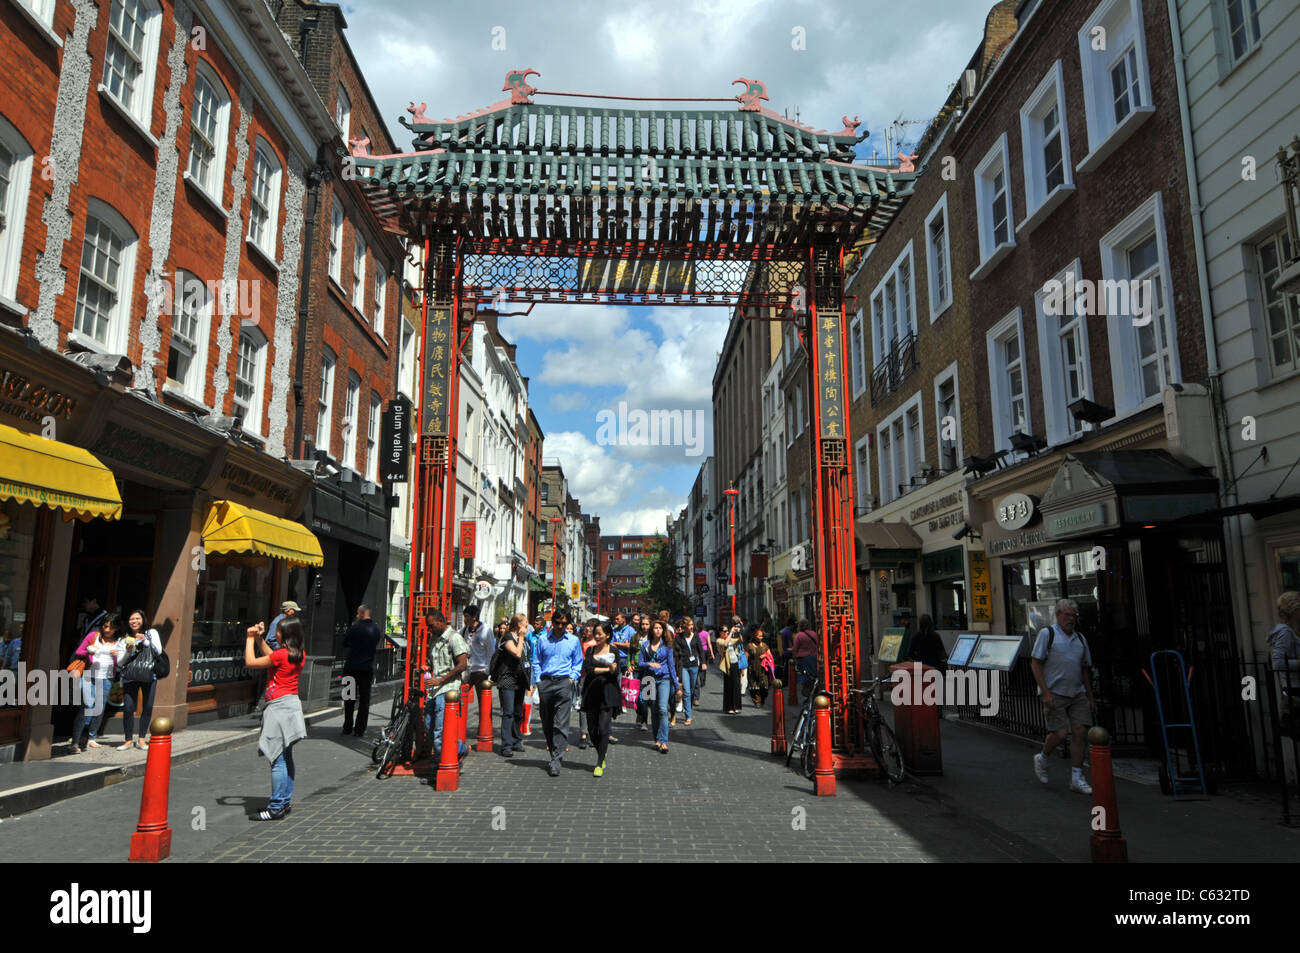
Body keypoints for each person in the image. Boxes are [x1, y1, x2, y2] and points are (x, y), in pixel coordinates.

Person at [1030, 597, 1096, 794]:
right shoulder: (1047, 634)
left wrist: (1090, 697)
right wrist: (1045, 692)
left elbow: (1084, 669)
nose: (1071, 619)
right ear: (1058, 615)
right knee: (1059, 733)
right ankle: (1042, 757)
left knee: (1080, 732)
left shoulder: (1080, 639)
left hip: (1077, 692)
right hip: (1055, 691)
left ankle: (1077, 776)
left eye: (1073, 616)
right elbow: (1035, 663)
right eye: (1067, 615)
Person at [244, 617, 306, 821]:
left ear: (285, 635)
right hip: (292, 705)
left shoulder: (281, 655)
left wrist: (250, 638)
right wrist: (260, 639)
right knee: (287, 755)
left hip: (278, 708)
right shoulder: (298, 654)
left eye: (277, 631)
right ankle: (285, 801)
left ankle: (276, 807)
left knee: (276, 758)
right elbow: (272, 656)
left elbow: (251, 662)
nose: (275, 634)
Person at [534, 610, 584, 776]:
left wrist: (572, 678)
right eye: (557, 623)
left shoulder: (573, 641)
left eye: (564, 624)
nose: (560, 627)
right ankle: (553, 752)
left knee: (561, 723)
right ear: (552, 623)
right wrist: (538, 681)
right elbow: (536, 661)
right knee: (547, 723)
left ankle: (557, 759)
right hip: (546, 683)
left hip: (564, 683)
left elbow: (578, 662)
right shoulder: (542, 639)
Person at [70, 613, 126, 752]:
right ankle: (75, 741)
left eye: (111, 627)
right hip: (89, 675)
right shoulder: (93, 636)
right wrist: (89, 651)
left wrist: (117, 655)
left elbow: (122, 662)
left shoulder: (120, 641)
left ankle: (91, 738)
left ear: (117, 628)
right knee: (87, 706)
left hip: (106, 678)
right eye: (105, 626)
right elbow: (79, 651)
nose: (107, 629)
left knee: (99, 709)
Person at [424, 607, 469, 759]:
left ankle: (440, 769)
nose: (429, 629)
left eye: (431, 625)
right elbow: (435, 662)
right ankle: (460, 748)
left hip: (448, 689)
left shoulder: (454, 638)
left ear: (441, 621)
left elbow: (462, 664)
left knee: (440, 732)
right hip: (434, 690)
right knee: (429, 726)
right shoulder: (434, 638)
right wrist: (428, 667)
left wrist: (441, 679)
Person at [118, 610, 163, 750]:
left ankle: (142, 739)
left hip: (148, 674)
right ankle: (128, 740)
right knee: (128, 708)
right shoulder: (123, 638)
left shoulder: (151, 633)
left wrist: (145, 641)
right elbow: (120, 662)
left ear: (143, 620)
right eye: (131, 619)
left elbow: (159, 651)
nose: (134, 621)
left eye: (137, 618)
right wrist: (128, 650)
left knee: (147, 706)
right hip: (130, 675)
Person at [582, 621, 623, 776]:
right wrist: (606, 669)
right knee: (592, 730)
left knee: (603, 728)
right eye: (595, 633)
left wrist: (611, 670)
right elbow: (588, 669)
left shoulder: (614, 650)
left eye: (600, 633)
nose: (597, 636)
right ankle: (601, 752)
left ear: (607, 635)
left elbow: (615, 671)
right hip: (591, 692)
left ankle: (599, 762)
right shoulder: (591, 649)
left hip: (608, 692)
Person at [638, 620, 681, 752]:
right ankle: (656, 739)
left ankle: (664, 741)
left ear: (663, 631)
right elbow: (639, 663)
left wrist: (677, 686)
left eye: (660, 628)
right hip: (650, 679)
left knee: (662, 708)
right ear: (652, 630)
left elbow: (671, 666)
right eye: (655, 628)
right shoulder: (645, 645)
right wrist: (649, 664)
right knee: (654, 710)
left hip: (664, 679)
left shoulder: (667, 646)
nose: (657, 630)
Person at [491, 613, 529, 757]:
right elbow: (517, 653)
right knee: (508, 712)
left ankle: (516, 740)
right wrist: (521, 638)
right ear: (519, 624)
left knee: (518, 712)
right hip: (507, 679)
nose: (527, 624)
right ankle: (506, 744)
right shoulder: (508, 638)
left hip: (519, 679)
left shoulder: (523, 639)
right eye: (525, 622)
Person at [341, 604, 383, 736]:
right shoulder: (376, 629)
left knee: (349, 699)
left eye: (358, 613)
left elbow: (344, 642)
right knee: (364, 700)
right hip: (366, 668)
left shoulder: (355, 627)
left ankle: (348, 726)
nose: (356, 616)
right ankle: (360, 729)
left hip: (351, 667)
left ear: (361, 613)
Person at [673, 616, 701, 726]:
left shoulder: (696, 636)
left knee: (692, 689)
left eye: (692, 625)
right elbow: (676, 654)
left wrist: (703, 662)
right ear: (685, 626)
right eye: (690, 625)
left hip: (694, 665)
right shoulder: (679, 638)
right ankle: (688, 716)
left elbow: (700, 651)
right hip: (683, 666)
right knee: (686, 691)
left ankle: (688, 706)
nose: (692, 627)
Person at [462, 605, 493, 692]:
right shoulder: (464, 630)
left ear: (474, 617)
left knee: (483, 700)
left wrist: (487, 671)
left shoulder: (486, 630)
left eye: (467, 616)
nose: (465, 619)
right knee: (461, 697)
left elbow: (490, 652)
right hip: (467, 671)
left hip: (481, 671)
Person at [716, 619, 744, 714]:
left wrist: (738, 632)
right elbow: (725, 644)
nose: (726, 632)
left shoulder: (730, 639)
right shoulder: (719, 640)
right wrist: (731, 632)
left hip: (735, 664)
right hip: (727, 665)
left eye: (727, 631)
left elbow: (740, 641)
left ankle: (735, 706)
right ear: (720, 632)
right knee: (729, 687)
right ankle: (728, 707)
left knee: (736, 686)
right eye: (724, 631)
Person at [576, 623, 596, 748]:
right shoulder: (580, 642)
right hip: (583, 676)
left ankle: (592, 733)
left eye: (591, 628)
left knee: (594, 706)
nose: (588, 630)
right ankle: (584, 734)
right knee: (583, 705)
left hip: (595, 676)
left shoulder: (598, 643)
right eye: (587, 628)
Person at [633, 616, 653, 730]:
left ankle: (644, 720)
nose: (644, 626)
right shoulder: (635, 637)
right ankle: (639, 714)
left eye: (647, 624)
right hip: (636, 669)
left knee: (645, 696)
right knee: (636, 696)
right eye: (643, 624)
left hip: (648, 670)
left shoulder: (652, 638)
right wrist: (630, 664)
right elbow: (631, 651)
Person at [792, 620, 819, 701]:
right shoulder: (814, 634)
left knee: (804, 678)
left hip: (803, 660)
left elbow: (795, 649)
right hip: (814, 658)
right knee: (813, 677)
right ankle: (814, 694)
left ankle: (806, 696)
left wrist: (794, 658)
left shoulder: (799, 635)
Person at [746, 626, 772, 708]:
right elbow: (745, 658)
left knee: (764, 688)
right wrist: (743, 669)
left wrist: (765, 655)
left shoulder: (764, 646)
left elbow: (770, 655)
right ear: (755, 636)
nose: (761, 637)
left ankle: (762, 700)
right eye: (759, 636)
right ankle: (757, 702)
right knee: (754, 688)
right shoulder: (749, 646)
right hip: (752, 669)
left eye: (762, 636)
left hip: (763, 670)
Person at [695, 624, 711, 701]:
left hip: (699, 651)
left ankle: (701, 678)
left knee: (700, 666)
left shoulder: (696, 633)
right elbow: (709, 643)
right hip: (705, 650)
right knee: (704, 665)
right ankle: (703, 679)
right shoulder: (706, 633)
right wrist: (712, 652)